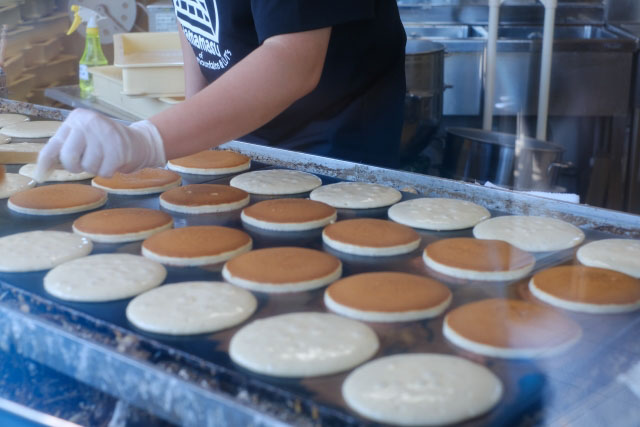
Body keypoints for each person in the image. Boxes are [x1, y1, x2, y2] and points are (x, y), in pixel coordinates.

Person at [35, 0, 407, 180]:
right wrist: (193, 126)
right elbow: (194, 13)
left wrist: (149, 139)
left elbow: (294, 61)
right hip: (240, 132)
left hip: (333, 141)